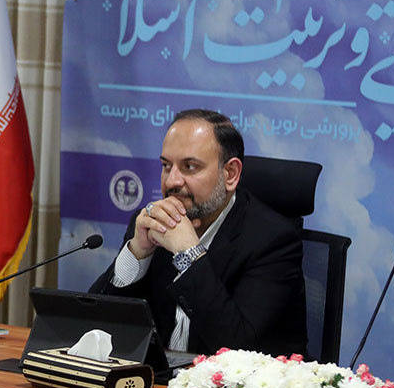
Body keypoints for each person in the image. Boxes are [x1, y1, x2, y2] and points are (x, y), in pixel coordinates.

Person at [89, 109, 306, 356]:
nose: (171, 181)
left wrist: (189, 255)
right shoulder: (154, 224)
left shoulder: (273, 241)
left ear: (230, 174)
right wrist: (137, 253)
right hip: (157, 378)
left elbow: (238, 349)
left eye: (189, 167)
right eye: (166, 165)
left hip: (229, 379)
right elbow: (92, 325)